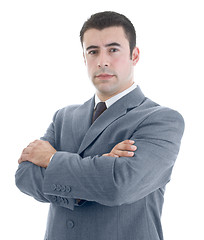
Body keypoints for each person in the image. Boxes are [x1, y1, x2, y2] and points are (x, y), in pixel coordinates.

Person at [15, 11, 185, 240]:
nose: (102, 60)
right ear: (84, 58)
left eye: (113, 50)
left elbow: (119, 186)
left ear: (134, 55)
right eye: (93, 51)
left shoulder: (161, 120)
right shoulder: (63, 117)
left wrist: (52, 160)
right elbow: (25, 176)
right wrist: (99, 171)